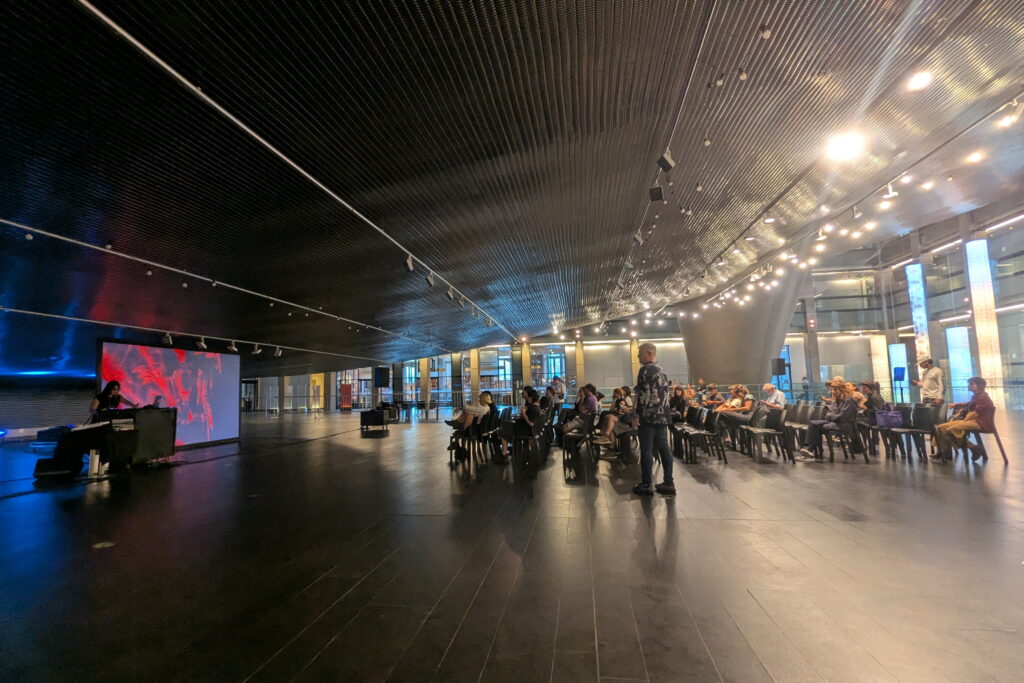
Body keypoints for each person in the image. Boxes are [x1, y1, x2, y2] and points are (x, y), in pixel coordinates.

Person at [632, 343, 674, 496]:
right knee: (664, 448)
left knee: (646, 449)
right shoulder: (661, 370)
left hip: (648, 417)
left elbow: (642, 396)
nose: (638, 356)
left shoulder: (645, 370)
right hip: (662, 417)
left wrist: (636, 415)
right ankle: (668, 482)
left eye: (640, 353)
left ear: (649, 353)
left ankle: (646, 484)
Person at [934, 377, 995, 460]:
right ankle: (972, 447)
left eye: (972, 384)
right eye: (969, 384)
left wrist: (962, 421)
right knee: (941, 427)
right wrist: (956, 404)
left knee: (950, 429)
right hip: (973, 421)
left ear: (980, 386)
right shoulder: (977, 396)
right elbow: (968, 404)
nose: (969, 386)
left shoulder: (983, 398)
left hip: (980, 423)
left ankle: (971, 447)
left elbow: (975, 414)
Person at [797, 381, 860, 459]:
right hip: (834, 422)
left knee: (816, 427)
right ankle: (808, 449)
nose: (833, 392)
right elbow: (829, 413)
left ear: (842, 390)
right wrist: (832, 416)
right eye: (832, 390)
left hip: (843, 425)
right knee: (812, 423)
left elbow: (842, 416)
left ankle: (810, 449)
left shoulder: (849, 401)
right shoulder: (836, 400)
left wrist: (832, 416)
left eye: (835, 390)